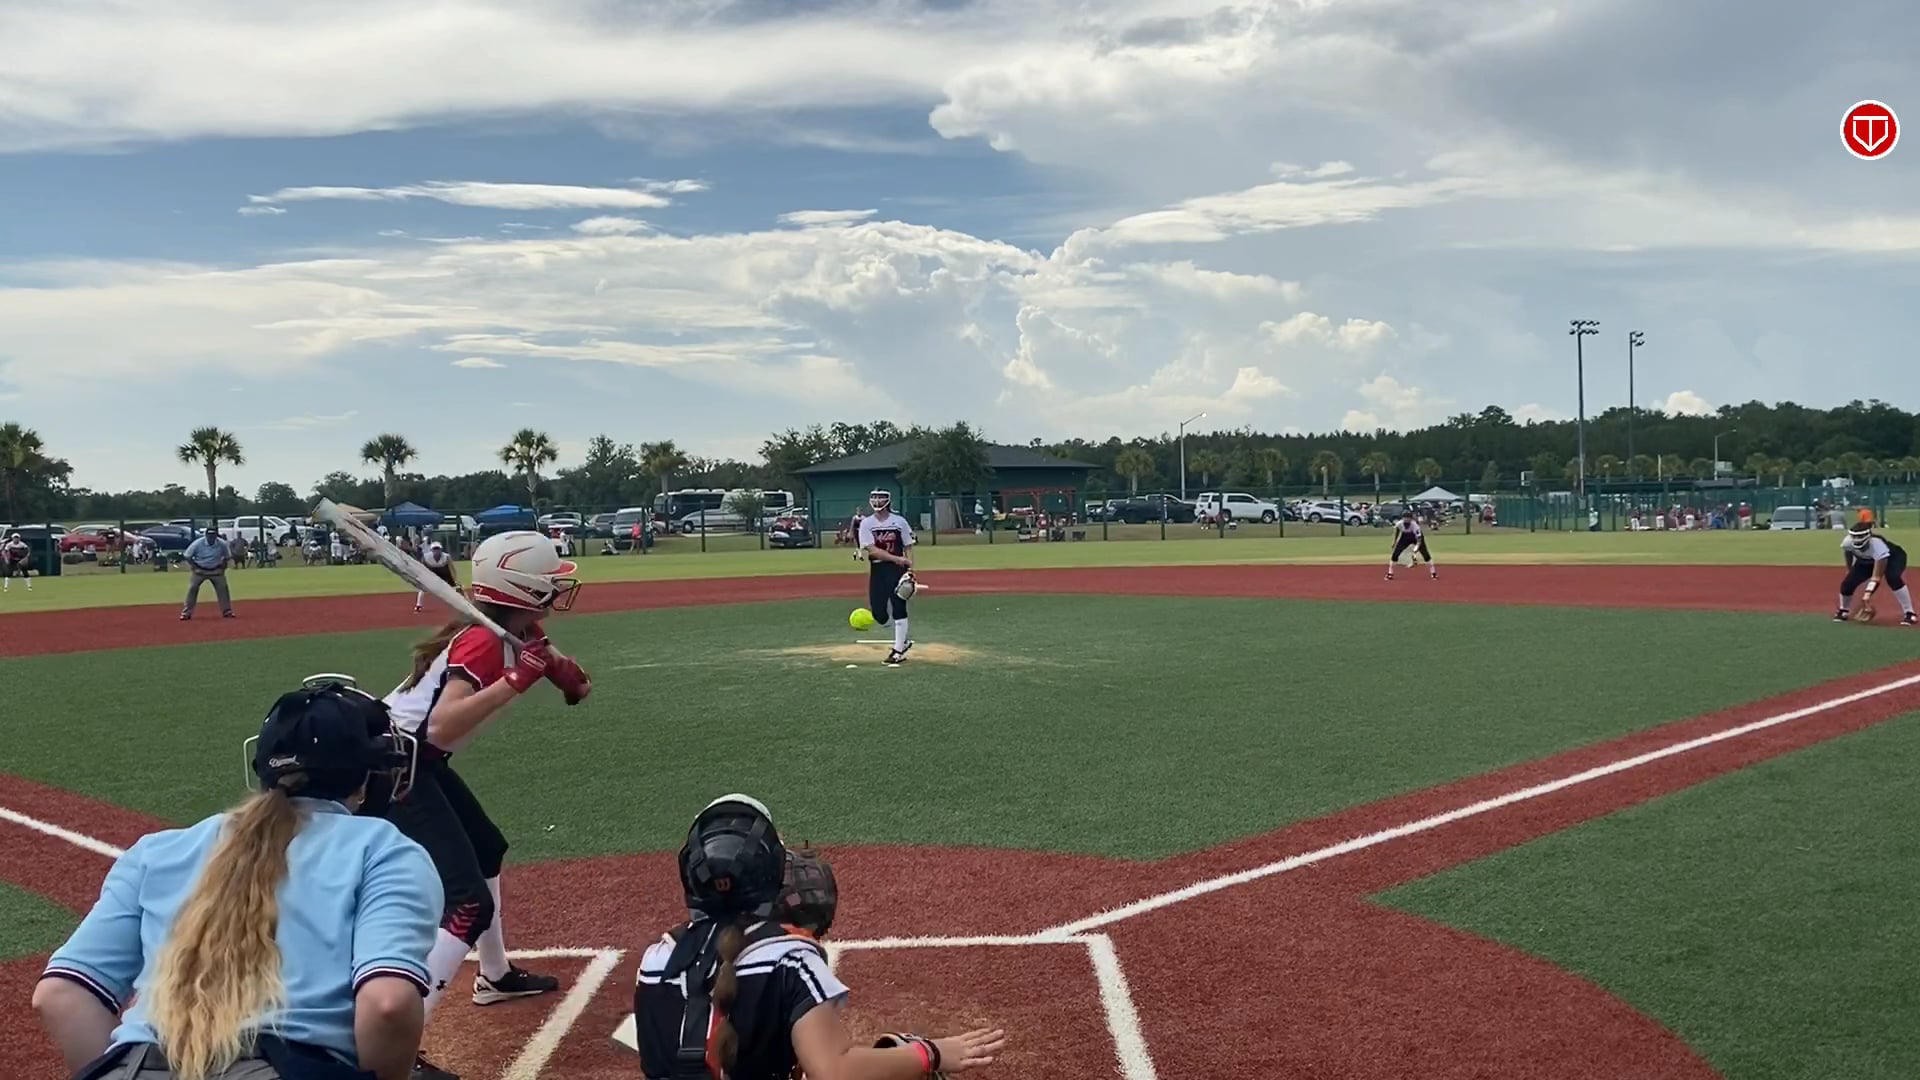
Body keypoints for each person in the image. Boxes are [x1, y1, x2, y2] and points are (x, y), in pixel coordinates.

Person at [33, 674, 438, 1080]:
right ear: (366, 776)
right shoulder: (384, 849)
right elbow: (387, 1004)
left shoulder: (156, 850)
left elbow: (60, 995)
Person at [380, 531, 593, 1080]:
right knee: (467, 902)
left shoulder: (517, 631)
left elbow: (566, 676)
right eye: (549, 582)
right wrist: (518, 680)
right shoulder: (481, 640)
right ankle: (394, 1049)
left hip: (417, 762)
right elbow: (443, 724)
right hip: (393, 768)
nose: (558, 589)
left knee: (486, 848)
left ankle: (494, 976)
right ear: (523, 588)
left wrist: (563, 675)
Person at [634, 794, 1005, 1079]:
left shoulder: (654, 961)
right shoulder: (790, 959)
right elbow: (834, 1072)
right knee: (902, 1060)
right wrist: (930, 1054)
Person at [858, 489, 916, 665]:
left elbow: (908, 546)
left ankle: (898, 650)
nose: (877, 501)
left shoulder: (899, 521)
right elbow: (872, 550)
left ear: (888, 501)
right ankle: (902, 639)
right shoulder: (867, 523)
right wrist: (897, 559)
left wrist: (910, 569)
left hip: (897, 570)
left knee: (899, 606)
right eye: (874, 497)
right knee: (879, 613)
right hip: (878, 569)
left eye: (880, 498)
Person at [1834, 512, 1916, 625]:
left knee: (1893, 578)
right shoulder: (1847, 542)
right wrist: (1850, 569)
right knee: (1847, 584)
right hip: (1865, 560)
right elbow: (1848, 553)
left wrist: (1867, 596)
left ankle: (1910, 613)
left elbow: (1876, 577)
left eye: (1860, 536)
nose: (1857, 539)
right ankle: (1843, 610)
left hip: (1892, 558)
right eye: (1855, 537)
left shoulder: (1878, 546)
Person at [182, 527, 236, 620]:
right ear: (206, 535)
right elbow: (187, 556)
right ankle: (186, 612)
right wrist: (195, 568)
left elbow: (227, 557)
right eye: (209, 536)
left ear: (216, 536)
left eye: (213, 536)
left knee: (223, 588)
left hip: (216, 570)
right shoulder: (198, 543)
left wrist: (222, 568)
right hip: (200, 570)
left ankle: (227, 611)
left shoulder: (222, 544)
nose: (211, 538)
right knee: (193, 588)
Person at [1385, 511, 1436, 581]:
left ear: (1411, 518)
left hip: (1415, 537)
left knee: (1425, 554)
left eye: (1408, 517)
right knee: (1395, 554)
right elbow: (1397, 530)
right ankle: (1390, 573)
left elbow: (1419, 539)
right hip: (1405, 537)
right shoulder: (1400, 523)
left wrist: (1417, 547)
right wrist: (1394, 541)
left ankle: (1433, 573)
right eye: (1405, 517)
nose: (1406, 519)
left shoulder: (1415, 526)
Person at [413, 542, 456, 614]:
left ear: (441, 549)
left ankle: (457, 605)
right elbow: (422, 567)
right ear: (431, 550)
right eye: (434, 549)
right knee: (423, 589)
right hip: (432, 571)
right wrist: (422, 577)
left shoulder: (446, 556)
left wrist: (455, 578)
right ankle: (418, 605)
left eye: (438, 549)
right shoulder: (426, 557)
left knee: (454, 587)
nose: (436, 550)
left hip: (443, 571)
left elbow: (452, 568)